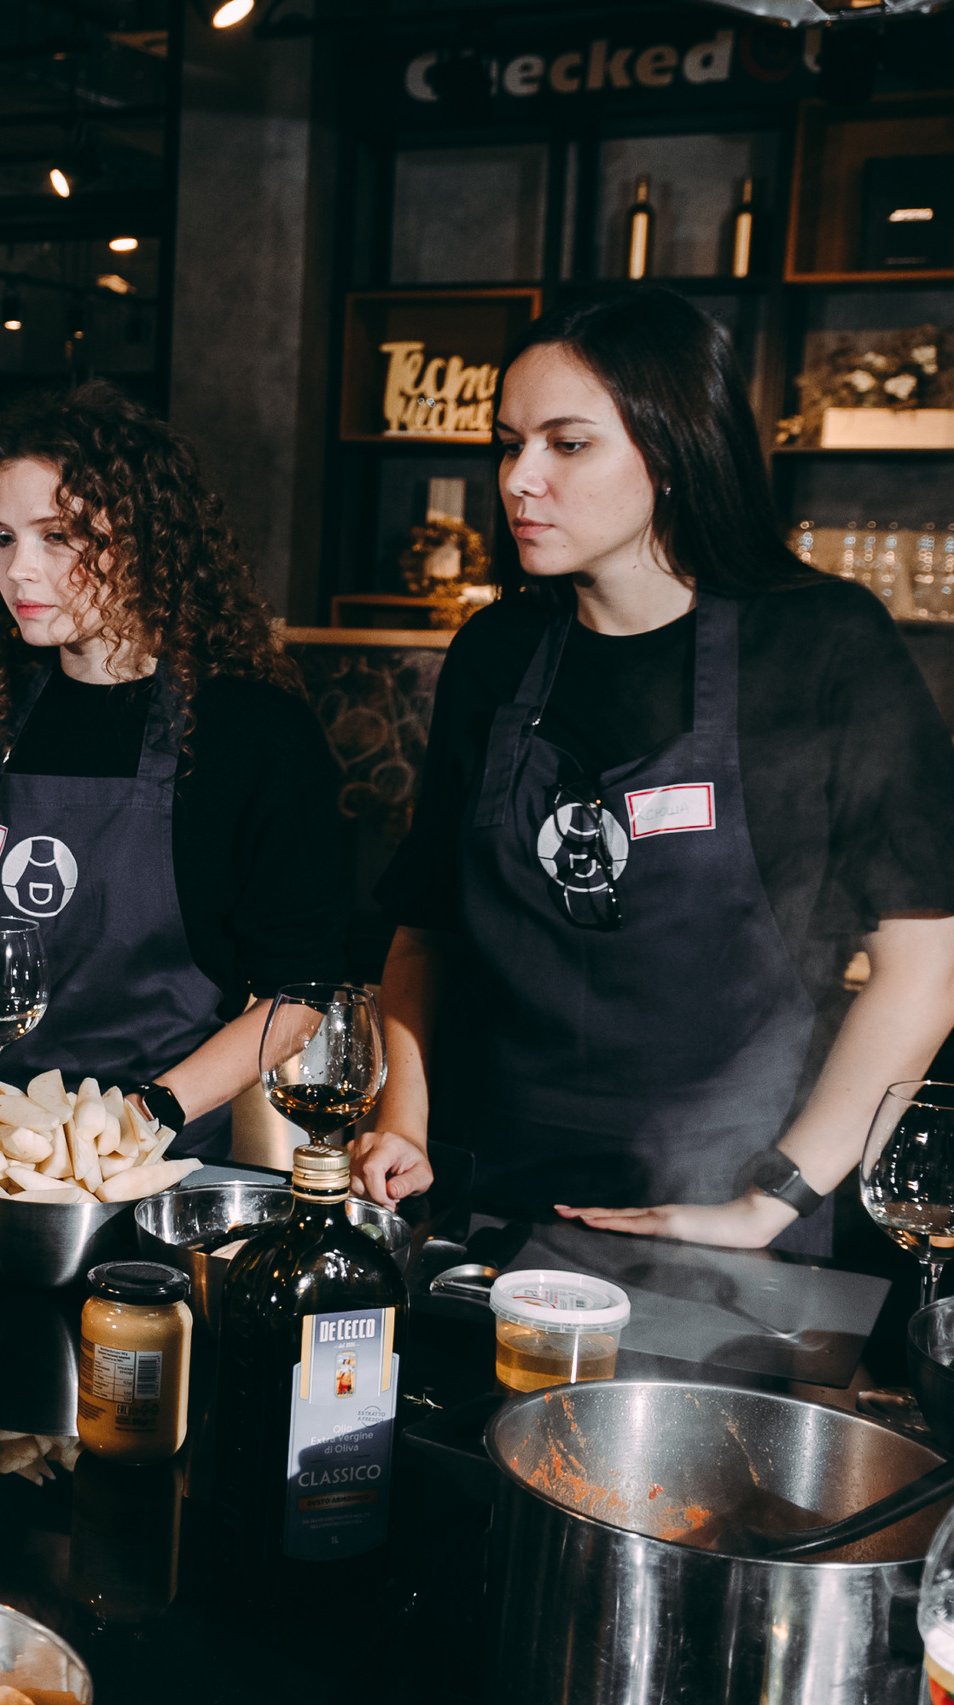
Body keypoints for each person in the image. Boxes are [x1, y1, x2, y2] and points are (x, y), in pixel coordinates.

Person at [349, 289, 954, 1253]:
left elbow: (925, 967)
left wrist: (774, 1199)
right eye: (510, 443)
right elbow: (425, 933)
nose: (519, 480)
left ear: (672, 452)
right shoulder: (495, 653)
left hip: (727, 1207)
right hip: (493, 1187)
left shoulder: (822, 644)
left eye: (567, 444)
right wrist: (404, 1123)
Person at [0, 381, 349, 1158]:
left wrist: (149, 1115)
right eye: (0, 537)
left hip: (151, 1150)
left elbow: (300, 992)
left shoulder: (252, 729)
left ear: (148, 536)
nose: (19, 571)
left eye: (58, 537)